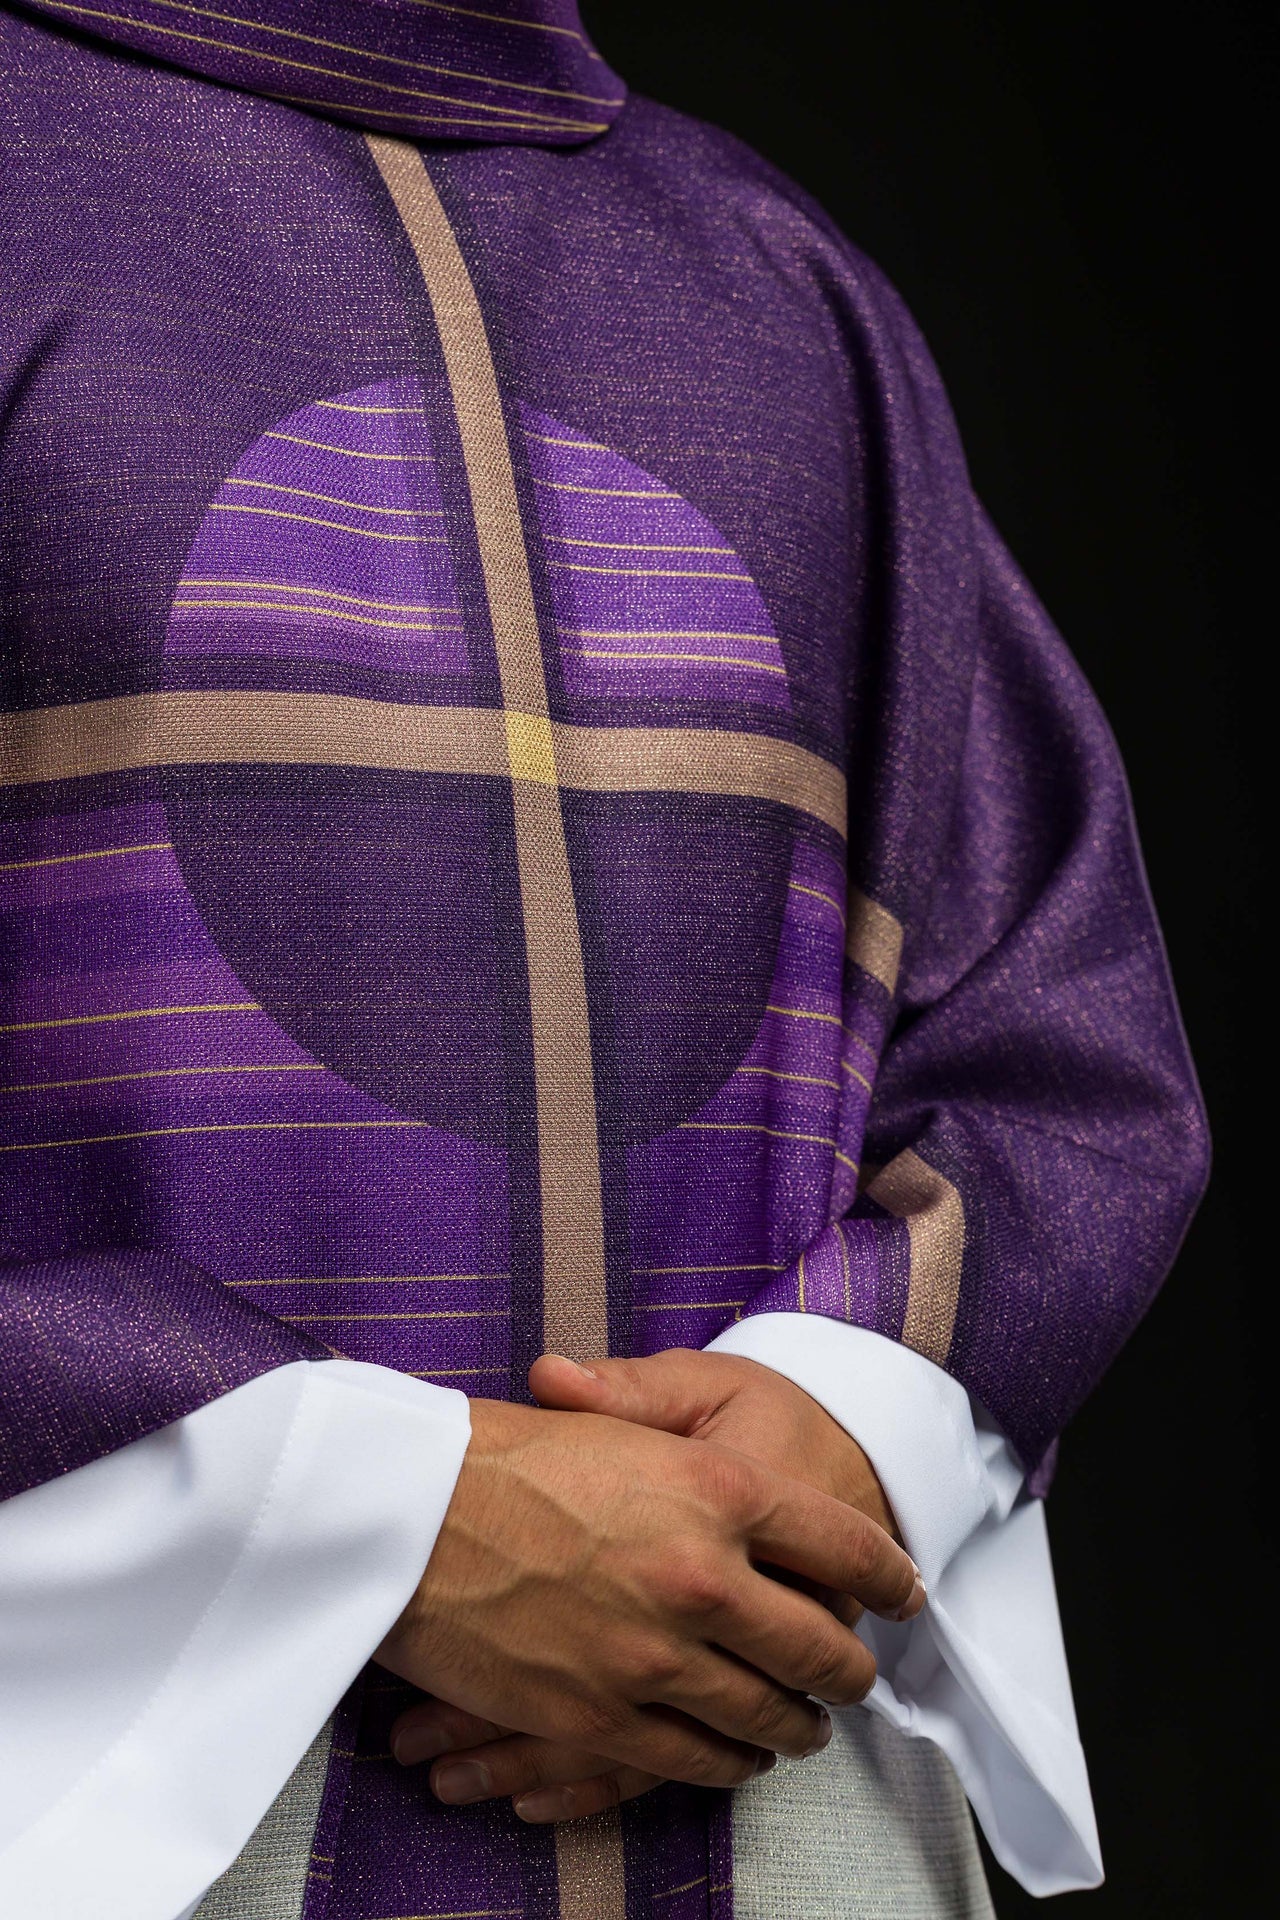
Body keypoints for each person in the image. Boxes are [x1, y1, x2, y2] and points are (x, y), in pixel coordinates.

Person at [0, 3, 1208, 1915]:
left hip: (785, 1760)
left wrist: (839, 1421)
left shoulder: (784, 282)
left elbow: (1057, 1035)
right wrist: (369, 1522)